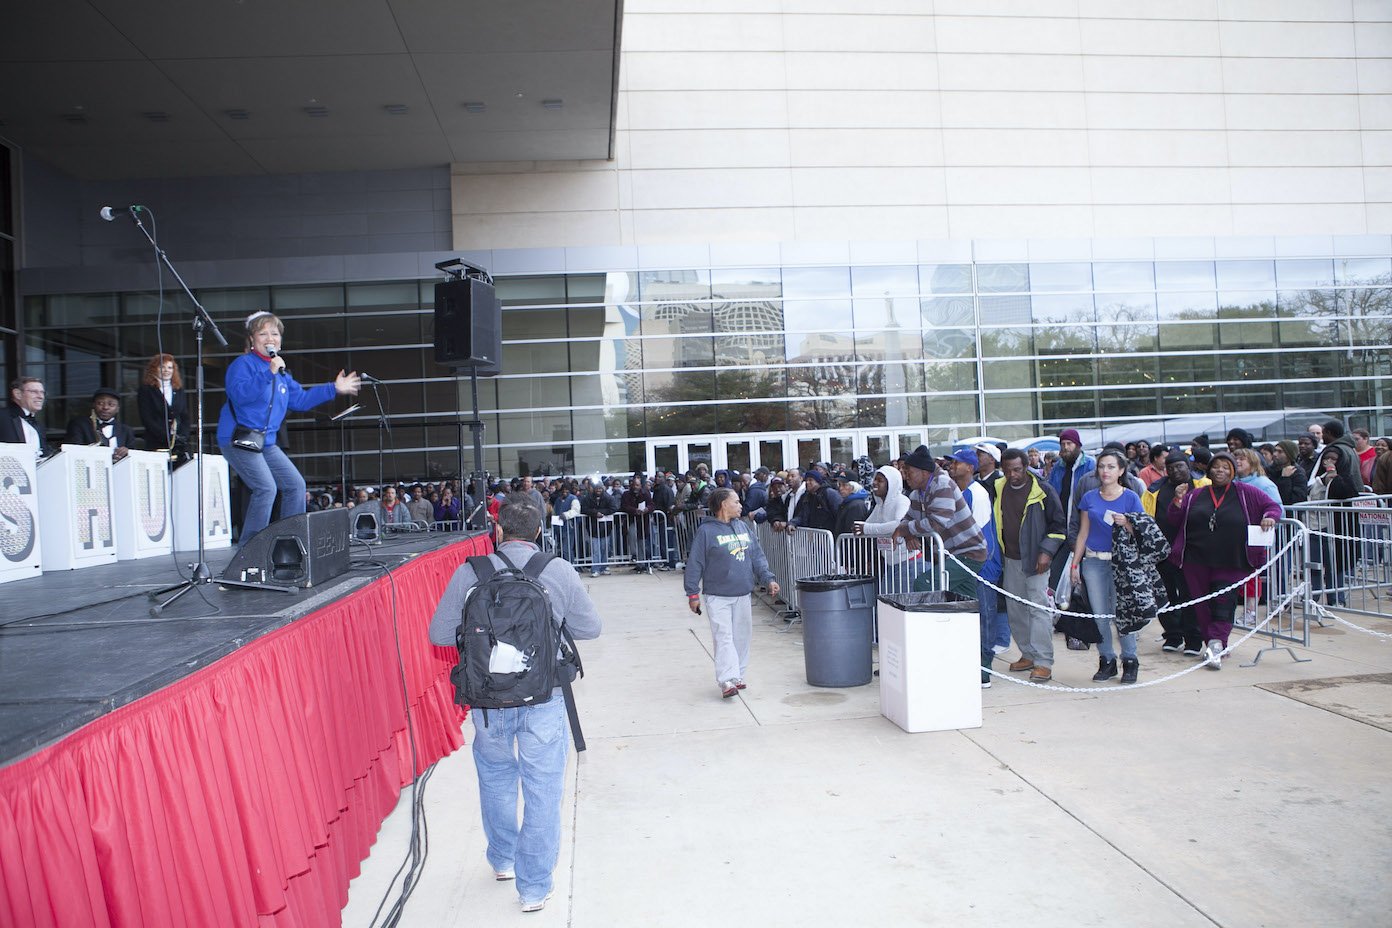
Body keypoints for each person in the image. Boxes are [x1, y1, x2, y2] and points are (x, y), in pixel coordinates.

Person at [427, 494, 601, 912]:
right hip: (545, 697)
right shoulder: (556, 570)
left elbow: (438, 634)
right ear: (540, 531)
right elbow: (590, 628)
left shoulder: (471, 572)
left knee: (496, 779)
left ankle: (503, 859)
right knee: (542, 790)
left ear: (498, 531)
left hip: (488, 703)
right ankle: (535, 888)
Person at [218, 311, 360, 545]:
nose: (270, 337)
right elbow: (241, 395)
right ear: (252, 339)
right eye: (262, 333)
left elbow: (301, 400)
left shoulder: (282, 375)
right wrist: (268, 372)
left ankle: (289, 543)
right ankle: (250, 549)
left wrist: (334, 388)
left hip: (265, 442)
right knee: (266, 488)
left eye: (274, 333)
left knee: (295, 485)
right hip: (238, 439)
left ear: (280, 340)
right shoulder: (243, 365)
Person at [1164, 451, 1281, 669]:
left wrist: (1269, 518)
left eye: (1226, 467)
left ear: (1233, 471)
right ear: (1209, 470)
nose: (1220, 470)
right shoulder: (1196, 494)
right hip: (1196, 559)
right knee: (1202, 605)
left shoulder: (1246, 492)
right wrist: (1178, 501)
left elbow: (1273, 507)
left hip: (1232, 559)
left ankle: (1217, 644)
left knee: (1224, 602)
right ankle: (1213, 647)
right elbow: (1175, 519)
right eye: (1216, 466)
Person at [684, 487, 779, 698]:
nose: (740, 506)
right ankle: (726, 680)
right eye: (736, 502)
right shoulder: (706, 532)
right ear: (723, 505)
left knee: (742, 636)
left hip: (743, 593)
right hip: (718, 596)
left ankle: (738, 675)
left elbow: (757, 556)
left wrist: (768, 578)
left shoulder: (743, 527)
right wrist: (692, 594)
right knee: (723, 636)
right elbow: (695, 564)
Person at [1070, 450, 1145, 684]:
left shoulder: (1131, 497)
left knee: (1124, 614)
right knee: (1100, 614)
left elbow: (1142, 532)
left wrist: (1129, 523)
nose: (1105, 471)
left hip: (1121, 562)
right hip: (1093, 560)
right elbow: (1083, 532)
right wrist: (1075, 564)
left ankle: (1130, 661)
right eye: (1102, 466)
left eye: (1111, 467)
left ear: (1121, 471)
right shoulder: (1090, 497)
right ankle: (1107, 660)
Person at [993, 449, 1066, 684]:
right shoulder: (999, 487)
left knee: (1038, 609)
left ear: (1026, 466)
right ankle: (1028, 654)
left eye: (1016, 469)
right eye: (1007, 470)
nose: (1012, 474)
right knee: (1015, 609)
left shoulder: (1043, 490)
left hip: (1037, 560)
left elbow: (1059, 526)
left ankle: (1044, 662)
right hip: (1011, 558)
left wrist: (1046, 552)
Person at [894, 445, 988, 597]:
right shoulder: (917, 494)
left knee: (924, 584)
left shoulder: (942, 484)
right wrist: (908, 533)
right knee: (964, 602)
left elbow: (937, 523)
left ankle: (930, 621)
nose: (905, 476)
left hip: (968, 553)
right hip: (952, 555)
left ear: (924, 472)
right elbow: (906, 520)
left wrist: (906, 530)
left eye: (909, 472)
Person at [1142, 450, 1211, 655]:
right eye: (1170, 467)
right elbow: (1146, 519)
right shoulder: (1155, 489)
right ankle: (1172, 634)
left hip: (1192, 552)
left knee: (1191, 596)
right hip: (1162, 553)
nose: (1175, 470)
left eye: (1179, 466)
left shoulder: (1203, 486)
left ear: (1188, 466)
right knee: (1164, 596)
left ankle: (1194, 639)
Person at [137, 353, 190, 460]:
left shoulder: (178, 389)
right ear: (154, 369)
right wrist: (166, 436)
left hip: (178, 443)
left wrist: (183, 435)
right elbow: (147, 418)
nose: (166, 370)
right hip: (156, 442)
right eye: (162, 367)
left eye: (170, 367)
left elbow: (184, 415)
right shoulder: (146, 390)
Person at [64, 387, 136, 462]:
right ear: (93, 405)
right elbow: (74, 450)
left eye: (111, 404)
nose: (105, 407)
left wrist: (127, 452)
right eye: (100, 403)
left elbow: (133, 455)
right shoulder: (79, 425)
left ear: (117, 409)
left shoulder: (126, 430)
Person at [0, 376, 52, 460]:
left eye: (42, 392)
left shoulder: (38, 425)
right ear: (18, 394)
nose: (41, 396)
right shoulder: (2, 417)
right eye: (34, 392)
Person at [581, 480, 617, 576]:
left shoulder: (609, 498)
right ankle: (595, 569)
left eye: (600, 488)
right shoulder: (588, 498)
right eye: (597, 488)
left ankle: (604, 567)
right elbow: (583, 509)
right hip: (593, 528)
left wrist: (601, 512)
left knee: (605, 549)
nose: (598, 490)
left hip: (606, 528)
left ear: (603, 488)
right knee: (595, 550)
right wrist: (595, 513)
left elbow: (614, 508)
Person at [1269, 441, 1308, 507]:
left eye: (1280, 452)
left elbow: (1296, 499)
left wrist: (1285, 479)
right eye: (1275, 450)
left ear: (1289, 455)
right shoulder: (1269, 470)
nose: (1275, 454)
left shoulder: (1298, 473)